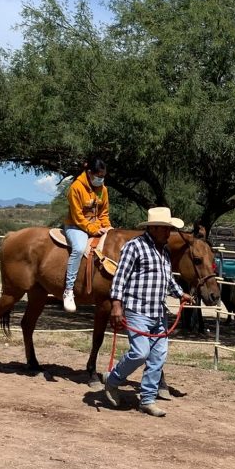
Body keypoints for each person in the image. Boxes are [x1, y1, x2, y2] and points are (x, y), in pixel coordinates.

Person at [104, 207, 192, 417]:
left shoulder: (164, 252)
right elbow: (120, 277)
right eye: (165, 229)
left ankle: (148, 399)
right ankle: (113, 380)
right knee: (140, 353)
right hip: (137, 310)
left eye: (169, 230)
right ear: (153, 228)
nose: (168, 234)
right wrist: (117, 305)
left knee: (158, 357)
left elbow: (167, 278)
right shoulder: (134, 247)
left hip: (158, 312)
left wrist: (180, 294)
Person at [62, 157, 112, 312]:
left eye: (103, 177)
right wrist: (93, 229)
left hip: (96, 226)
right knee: (78, 248)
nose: (101, 179)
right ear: (90, 173)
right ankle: (68, 290)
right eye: (99, 176)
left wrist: (108, 228)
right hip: (75, 227)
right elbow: (77, 216)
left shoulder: (102, 189)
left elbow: (103, 212)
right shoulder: (76, 188)